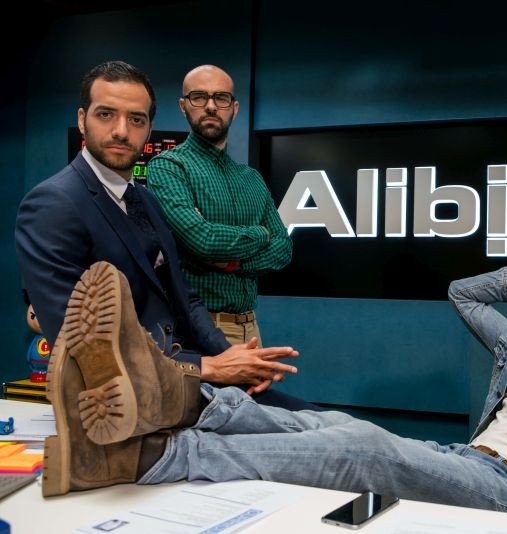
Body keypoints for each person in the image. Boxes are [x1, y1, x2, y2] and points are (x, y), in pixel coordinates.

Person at [43, 236, 507, 526]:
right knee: (327, 422)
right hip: (470, 461)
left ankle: (149, 456)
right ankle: (182, 401)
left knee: (365, 450)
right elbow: (463, 292)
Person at [14, 60, 313, 413]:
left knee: (328, 422)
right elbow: (83, 344)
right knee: (332, 437)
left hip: (187, 374)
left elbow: (185, 297)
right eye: (106, 115)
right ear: (82, 119)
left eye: (136, 119)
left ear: (149, 127)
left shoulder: (145, 201)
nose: (121, 131)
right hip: (128, 405)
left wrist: (229, 357)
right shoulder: (53, 203)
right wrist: (207, 367)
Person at [146, 64, 291, 347]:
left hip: (251, 328)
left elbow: (283, 248)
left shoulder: (251, 178)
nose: (211, 106)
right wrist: (261, 234)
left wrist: (233, 262)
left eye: (221, 98)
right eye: (199, 97)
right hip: (198, 328)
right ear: (184, 106)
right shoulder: (168, 167)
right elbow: (203, 240)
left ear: (234, 108)